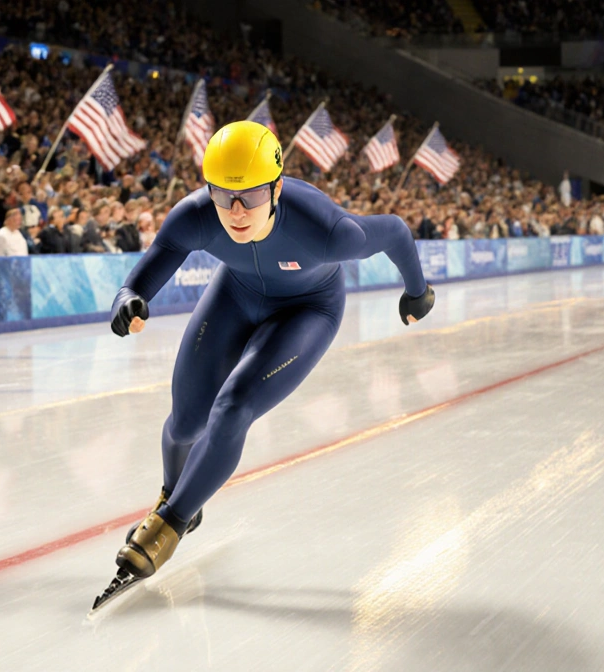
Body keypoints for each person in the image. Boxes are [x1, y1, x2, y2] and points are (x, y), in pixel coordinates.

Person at [104, 121, 435, 585]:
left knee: (234, 407)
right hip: (234, 295)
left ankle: (170, 524)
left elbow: (396, 232)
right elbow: (140, 276)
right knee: (184, 424)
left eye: (252, 197)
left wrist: (417, 292)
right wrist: (128, 300)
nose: (237, 212)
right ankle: (175, 495)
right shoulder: (195, 215)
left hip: (307, 311)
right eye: (224, 197)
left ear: (277, 188)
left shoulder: (327, 230)